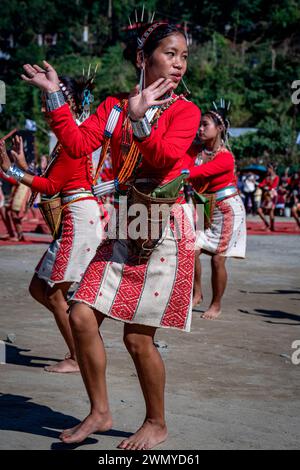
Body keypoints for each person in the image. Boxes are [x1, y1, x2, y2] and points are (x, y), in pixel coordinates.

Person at [19, 21, 201, 449]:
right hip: (125, 220)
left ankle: (156, 421)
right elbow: (79, 144)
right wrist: (54, 94)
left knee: (137, 338)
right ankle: (100, 411)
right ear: (143, 59)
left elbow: (162, 158)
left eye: (184, 57)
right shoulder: (115, 106)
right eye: (170, 54)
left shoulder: (184, 111)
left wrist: (140, 123)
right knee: (81, 315)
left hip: (163, 223)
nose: (178, 64)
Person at [0, 75, 103, 373]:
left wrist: (12, 170)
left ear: (66, 104)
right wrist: (20, 167)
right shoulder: (68, 140)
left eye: (49, 101)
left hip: (79, 217)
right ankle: (81, 340)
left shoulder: (75, 138)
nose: (46, 109)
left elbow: (52, 184)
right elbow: (55, 181)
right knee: (38, 288)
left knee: (55, 293)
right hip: (74, 216)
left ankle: (78, 356)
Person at [186, 99, 246, 319]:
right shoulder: (196, 152)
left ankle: (216, 304)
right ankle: (197, 293)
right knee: (191, 250)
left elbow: (195, 173)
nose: (200, 129)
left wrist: (180, 173)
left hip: (226, 208)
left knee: (218, 259)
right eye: (199, 125)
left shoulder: (226, 157)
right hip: (202, 204)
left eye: (205, 125)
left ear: (219, 129)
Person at [257, 163, 279, 231]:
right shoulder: (267, 178)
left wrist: (265, 187)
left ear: (272, 169)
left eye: (268, 168)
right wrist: (263, 186)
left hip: (272, 195)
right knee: (259, 210)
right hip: (267, 196)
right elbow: (261, 185)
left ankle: (272, 227)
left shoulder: (276, 177)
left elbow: (273, 187)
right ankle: (267, 224)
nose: (267, 170)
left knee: (271, 211)